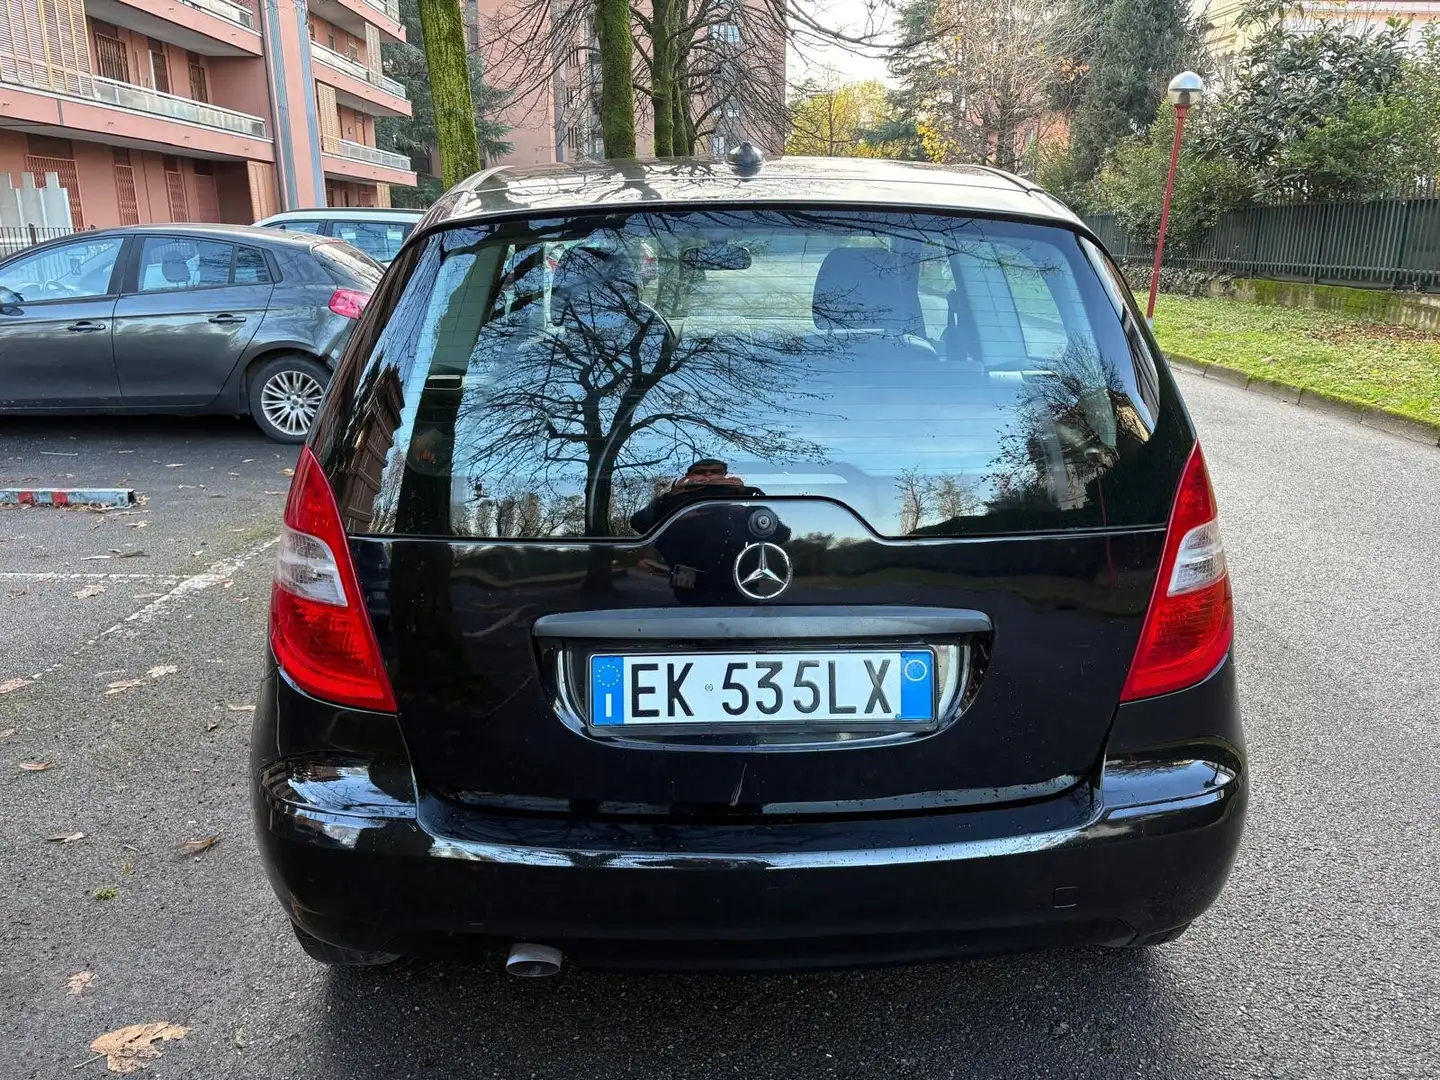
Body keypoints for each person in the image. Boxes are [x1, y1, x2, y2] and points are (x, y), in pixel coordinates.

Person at [631, 460, 790, 602]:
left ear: (725, 476)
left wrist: (745, 506)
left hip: (741, 589)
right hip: (687, 590)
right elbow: (639, 523)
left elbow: (781, 535)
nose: (708, 476)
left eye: (715, 472)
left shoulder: (743, 500)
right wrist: (670, 500)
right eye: (700, 473)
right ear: (688, 477)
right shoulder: (675, 503)